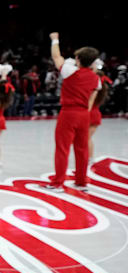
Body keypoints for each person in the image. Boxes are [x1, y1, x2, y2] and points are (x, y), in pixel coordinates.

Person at [44, 32, 101, 192]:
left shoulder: (71, 71)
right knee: (82, 148)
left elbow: (56, 57)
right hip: (84, 114)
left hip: (69, 112)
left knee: (62, 148)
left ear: (78, 59)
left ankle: (57, 183)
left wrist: (55, 40)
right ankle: (81, 182)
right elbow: (91, 100)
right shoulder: (95, 78)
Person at [89, 70, 111, 163]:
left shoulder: (94, 90)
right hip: (95, 114)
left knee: (86, 139)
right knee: (87, 138)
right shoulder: (102, 89)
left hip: (90, 114)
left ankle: (90, 159)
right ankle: (89, 158)